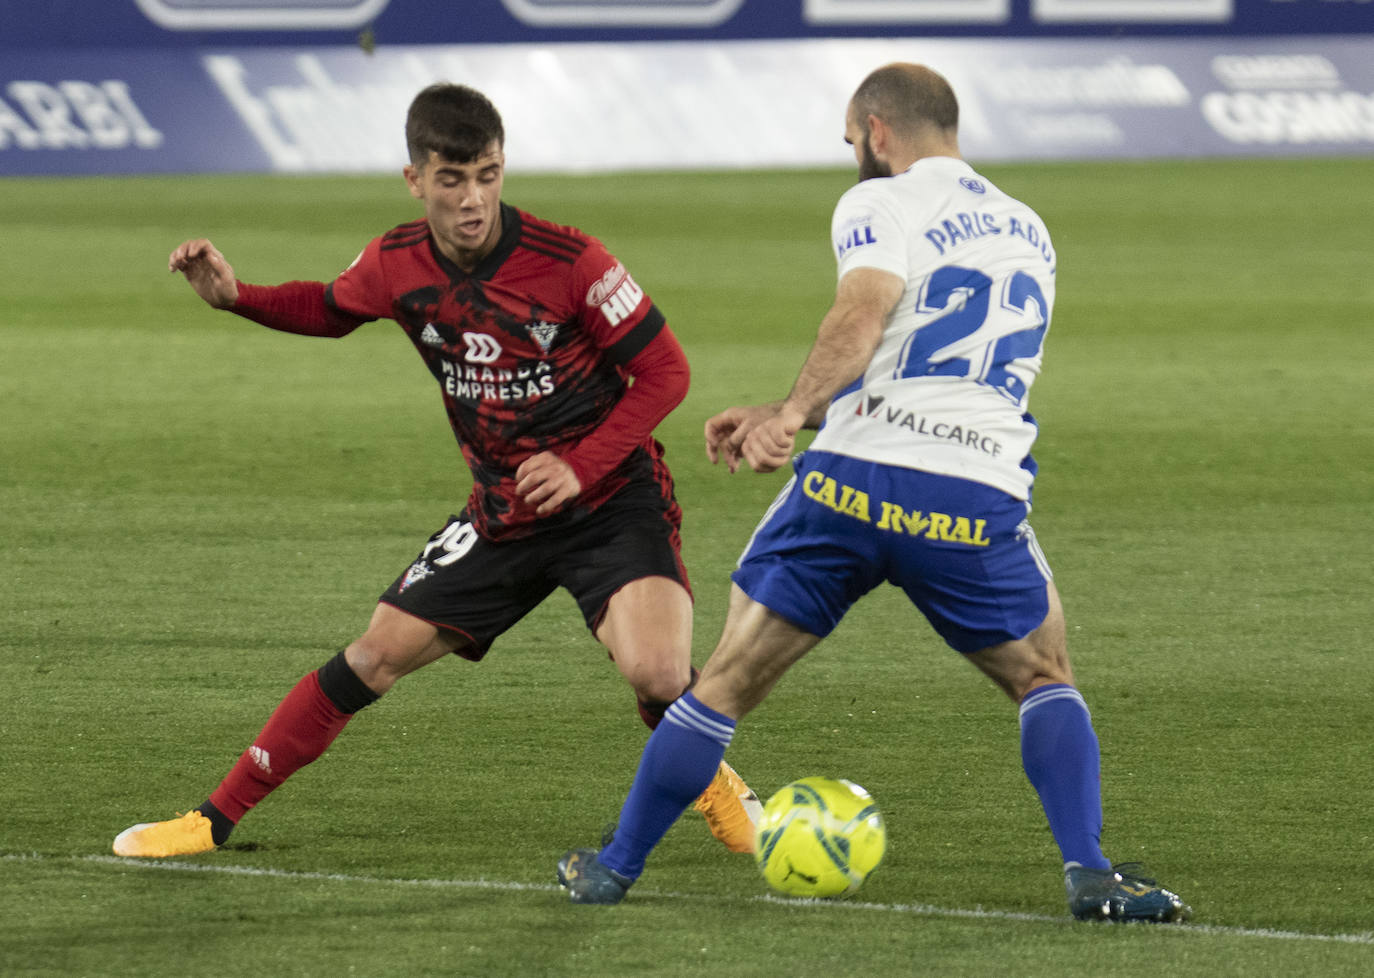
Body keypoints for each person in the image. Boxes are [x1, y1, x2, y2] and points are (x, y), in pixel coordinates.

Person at [556, 63, 1189, 923]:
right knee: (1044, 674)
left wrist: (792, 413)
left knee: (725, 687)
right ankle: (1088, 871)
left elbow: (862, 316)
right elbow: (936, 376)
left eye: (853, 139)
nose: (854, 153)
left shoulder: (878, 202)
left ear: (878, 131)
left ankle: (614, 869)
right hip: (970, 498)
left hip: (852, 492)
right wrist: (790, 411)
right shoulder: (1029, 230)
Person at [112, 83, 760, 860]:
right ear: (415, 180)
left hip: (611, 500)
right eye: (451, 180)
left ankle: (717, 787)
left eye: (487, 175)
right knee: (374, 654)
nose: (473, 200)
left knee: (657, 673)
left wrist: (582, 466)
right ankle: (211, 820)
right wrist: (236, 297)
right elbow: (330, 306)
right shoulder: (396, 262)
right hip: (502, 514)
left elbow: (665, 370)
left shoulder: (570, 260)